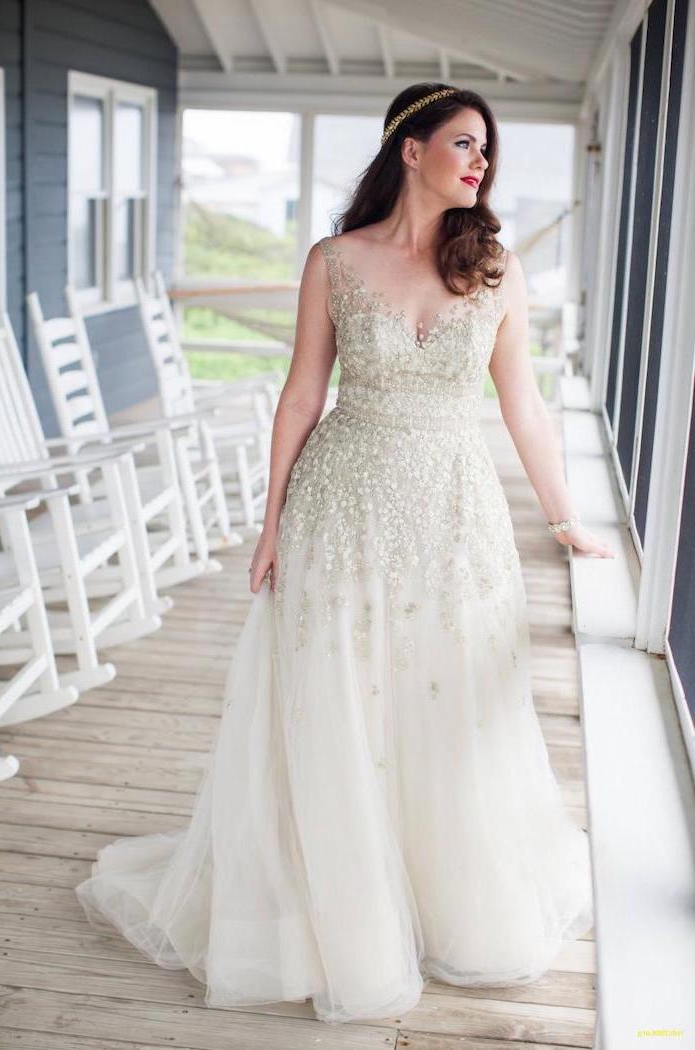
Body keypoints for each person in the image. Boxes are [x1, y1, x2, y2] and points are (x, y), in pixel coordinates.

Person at [74, 82, 615, 1026]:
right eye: (464, 144)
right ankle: (338, 915)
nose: (481, 163)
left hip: (454, 515)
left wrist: (564, 513)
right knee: (340, 704)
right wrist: (272, 519)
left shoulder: (495, 267)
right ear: (411, 150)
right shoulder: (334, 261)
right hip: (341, 506)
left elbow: (521, 403)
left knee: (442, 706)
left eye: (487, 150)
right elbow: (299, 397)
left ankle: (445, 896)